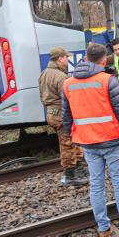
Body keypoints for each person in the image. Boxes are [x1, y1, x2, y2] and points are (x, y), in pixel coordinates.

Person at [62, 43, 119, 237]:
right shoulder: (108, 81)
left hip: (87, 142)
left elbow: (66, 116)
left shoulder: (68, 84)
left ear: (85, 58)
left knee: (96, 185)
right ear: (104, 60)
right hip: (111, 140)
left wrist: (73, 136)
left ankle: (103, 229)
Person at [38, 47, 87, 187]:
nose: (68, 59)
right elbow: (68, 98)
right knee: (67, 144)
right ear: (60, 59)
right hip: (61, 114)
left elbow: (42, 96)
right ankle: (70, 175)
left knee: (72, 141)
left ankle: (79, 169)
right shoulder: (61, 77)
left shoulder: (44, 74)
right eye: (66, 57)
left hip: (51, 113)